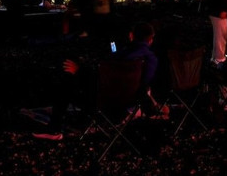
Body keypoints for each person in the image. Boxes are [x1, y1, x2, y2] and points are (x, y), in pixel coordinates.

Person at [31, 22, 164, 141]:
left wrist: (79, 70)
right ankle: (80, 120)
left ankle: (55, 128)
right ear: (151, 40)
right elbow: (143, 84)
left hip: (105, 102)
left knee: (67, 83)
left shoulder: (118, 58)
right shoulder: (151, 60)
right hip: (130, 102)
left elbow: (101, 79)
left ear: (131, 36)